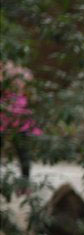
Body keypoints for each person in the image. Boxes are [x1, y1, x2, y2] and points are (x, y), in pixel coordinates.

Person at [0, 62, 41, 191]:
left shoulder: (20, 72)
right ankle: (24, 185)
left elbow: (31, 93)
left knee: (23, 152)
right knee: (23, 152)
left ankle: (25, 185)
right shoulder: (23, 72)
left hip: (15, 115)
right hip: (11, 113)